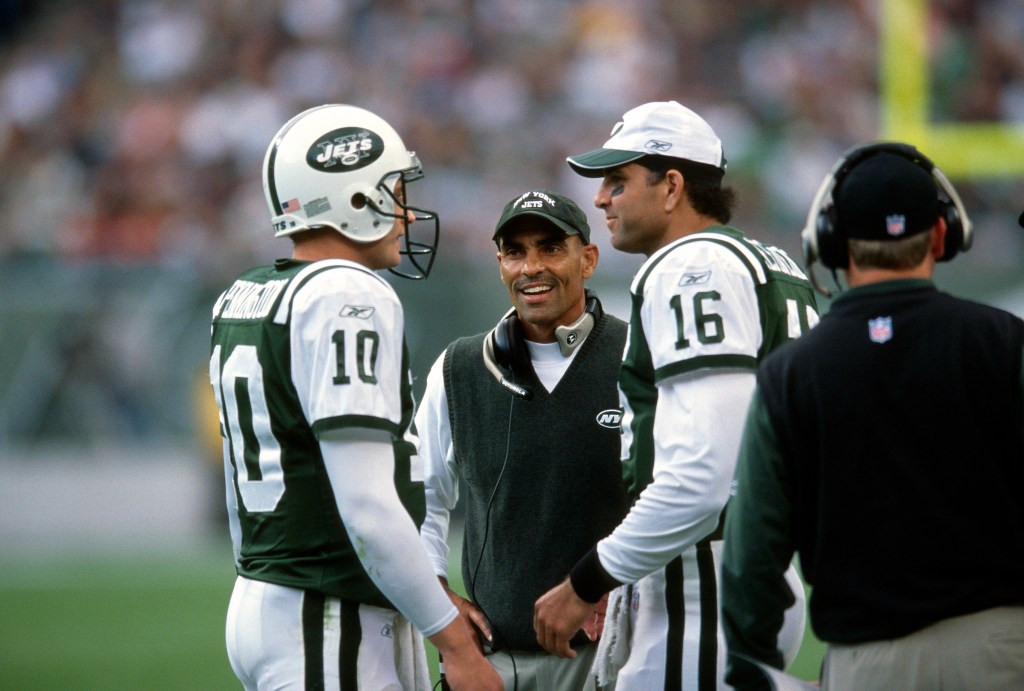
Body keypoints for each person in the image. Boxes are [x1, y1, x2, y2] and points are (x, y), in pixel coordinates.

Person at [208, 103, 501, 691]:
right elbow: (366, 503)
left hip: (271, 596)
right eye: (392, 191)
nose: (405, 211)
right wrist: (452, 639)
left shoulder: (246, 294)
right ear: (355, 199)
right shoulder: (345, 294)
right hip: (326, 613)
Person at [532, 100, 817, 690]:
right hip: (755, 569)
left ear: (672, 187)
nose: (601, 199)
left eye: (617, 180)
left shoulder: (693, 267)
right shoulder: (771, 262)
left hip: (705, 583)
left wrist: (588, 580)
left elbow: (703, 476)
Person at [720, 142, 1024, 690]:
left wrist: (753, 657)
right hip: (1004, 649)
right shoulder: (1005, 341)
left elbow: (753, 550)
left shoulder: (793, 371)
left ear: (831, 242)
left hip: (869, 663)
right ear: (941, 233)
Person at [417, 189, 630, 690]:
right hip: (493, 663)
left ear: (589, 258)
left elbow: (678, 495)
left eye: (551, 248)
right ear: (500, 265)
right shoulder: (458, 368)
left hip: (613, 660)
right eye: (515, 252)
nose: (531, 267)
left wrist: (622, 584)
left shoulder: (637, 355)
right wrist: (437, 595)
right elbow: (419, 495)